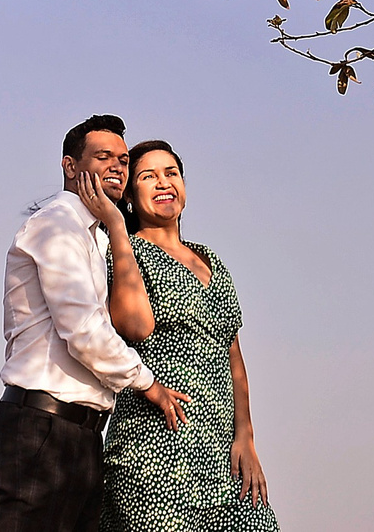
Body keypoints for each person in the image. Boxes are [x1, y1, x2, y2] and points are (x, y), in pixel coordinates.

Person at [0, 113, 194, 532]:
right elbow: (83, 330)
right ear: (70, 166)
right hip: (39, 429)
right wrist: (149, 386)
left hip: (81, 437)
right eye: (104, 157)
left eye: (122, 159)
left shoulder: (98, 237)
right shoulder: (56, 225)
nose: (118, 166)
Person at [91, 140, 278, 531]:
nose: (163, 183)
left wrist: (246, 436)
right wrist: (118, 232)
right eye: (148, 176)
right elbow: (128, 324)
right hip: (154, 446)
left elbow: (233, 355)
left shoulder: (211, 259)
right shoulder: (123, 253)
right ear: (129, 193)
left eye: (171, 173)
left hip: (223, 452)